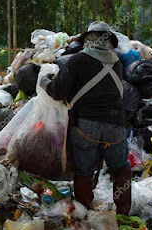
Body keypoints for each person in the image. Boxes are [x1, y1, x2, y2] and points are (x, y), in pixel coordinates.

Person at [40, 21, 131, 215]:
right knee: (120, 169)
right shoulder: (118, 65)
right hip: (116, 125)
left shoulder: (76, 61)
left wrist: (44, 81)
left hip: (85, 126)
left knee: (84, 172)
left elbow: (57, 92)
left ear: (88, 40)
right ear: (109, 42)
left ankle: (85, 215)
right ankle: (123, 214)